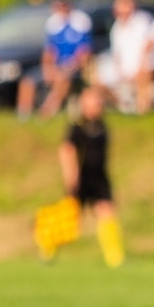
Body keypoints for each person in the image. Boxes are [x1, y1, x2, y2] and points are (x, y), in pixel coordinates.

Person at [57, 87, 125, 267]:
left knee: (107, 212)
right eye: (92, 103)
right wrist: (71, 174)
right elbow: (67, 149)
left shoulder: (102, 126)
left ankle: (114, 257)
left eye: (98, 103)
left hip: (99, 177)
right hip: (81, 177)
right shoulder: (77, 127)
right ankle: (47, 243)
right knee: (70, 222)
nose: (96, 107)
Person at [18, 0, 91, 119]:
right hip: (57, 66)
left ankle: (46, 112)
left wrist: (72, 66)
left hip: (74, 68)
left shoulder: (81, 23)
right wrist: (48, 68)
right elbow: (49, 52)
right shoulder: (53, 24)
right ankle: (24, 114)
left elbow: (84, 52)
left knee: (62, 78)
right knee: (28, 80)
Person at [98, 0, 154, 115]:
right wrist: (120, 70)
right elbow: (117, 53)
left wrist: (140, 66)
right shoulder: (116, 27)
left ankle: (143, 109)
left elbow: (149, 46)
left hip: (142, 64)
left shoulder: (142, 21)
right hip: (123, 67)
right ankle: (123, 105)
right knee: (98, 81)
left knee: (144, 73)